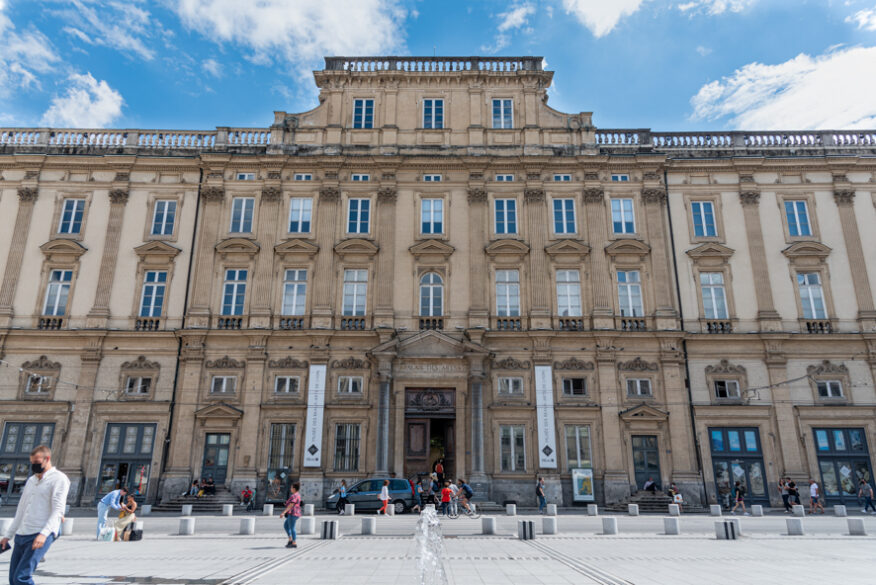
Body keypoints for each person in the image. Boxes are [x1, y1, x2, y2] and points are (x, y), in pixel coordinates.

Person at [1, 445, 70, 585]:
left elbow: (58, 510)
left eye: (37, 462)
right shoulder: (31, 480)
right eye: (32, 463)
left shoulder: (59, 479)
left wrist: (44, 534)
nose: (34, 465)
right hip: (22, 533)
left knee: (22, 577)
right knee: (13, 578)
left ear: (47, 459)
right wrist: (8, 536)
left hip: (40, 532)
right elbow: (21, 510)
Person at [282, 482, 302, 548]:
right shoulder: (297, 494)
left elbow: (291, 504)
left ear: (294, 488)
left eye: (291, 487)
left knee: (292, 527)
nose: (290, 489)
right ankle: (290, 539)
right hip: (294, 513)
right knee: (286, 526)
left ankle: (294, 542)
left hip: (293, 513)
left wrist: (284, 512)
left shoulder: (294, 495)